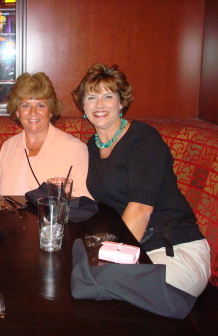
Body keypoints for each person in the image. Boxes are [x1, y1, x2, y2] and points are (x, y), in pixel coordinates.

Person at [72, 63, 210, 296]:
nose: (100, 105)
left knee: (100, 287)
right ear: (83, 106)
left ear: (121, 102)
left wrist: (110, 261)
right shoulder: (92, 147)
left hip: (174, 248)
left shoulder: (143, 140)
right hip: (135, 247)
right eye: (92, 97)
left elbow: (140, 210)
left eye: (108, 96)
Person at [0, 72, 91, 198]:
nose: (33, 112)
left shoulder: (75, 149)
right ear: (17, 112)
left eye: (40, 105)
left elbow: (85, 203)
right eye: (26, 105)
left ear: (51, 111)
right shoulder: (8, 147)